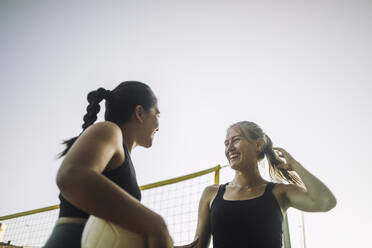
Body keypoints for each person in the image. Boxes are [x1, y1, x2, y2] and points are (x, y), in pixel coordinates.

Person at [43, 81, 173, 248]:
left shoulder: (121, 154)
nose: (158, 124)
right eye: (157, 113)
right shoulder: (110, 130)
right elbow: (71, 175)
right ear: (140, 113)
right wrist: (156, 225)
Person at [191, 121, 337, 248]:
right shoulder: (211, 193)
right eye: (226, 143)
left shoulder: (280, 192)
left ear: (258, 144)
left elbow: (326, 202)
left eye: (235, 140)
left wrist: (296, 166)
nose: (229, 148)